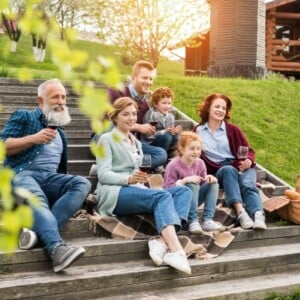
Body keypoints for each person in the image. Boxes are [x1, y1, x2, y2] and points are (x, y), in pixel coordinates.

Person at [1, 78, 92, 272]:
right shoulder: (25, 117)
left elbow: (59, 172)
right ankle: (57, 248)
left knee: (82, 183)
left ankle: (34, 234)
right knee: (38, 198)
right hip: (21, 176)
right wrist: (33, 138)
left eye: (63, 97)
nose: (61, 101)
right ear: (40, 101)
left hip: (49, 179)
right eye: (55, 97)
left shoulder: (61, 134)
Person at [95, 97, 192, 274]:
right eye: (126, 114)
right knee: (162, 196)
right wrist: (129, 179)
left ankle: (161, 241)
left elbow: (138, 170)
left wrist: (138, 178)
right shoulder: (106, 140)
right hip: (114, 192)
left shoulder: (136, 142)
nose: (132, 118)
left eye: (133, 114)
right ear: (115, 117)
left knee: (183, 191)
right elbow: (103, 174)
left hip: (136, 189)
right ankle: (177, 250)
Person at [193, 93, 266, 230]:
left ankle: (258, 216)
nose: (221, 110)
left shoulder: (233, 130)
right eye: (217, 106)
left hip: (241, 166)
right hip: (220, 170)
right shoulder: (198, 131)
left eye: (223, 108)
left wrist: (249, 160)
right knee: (228, 170)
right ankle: (241, 213)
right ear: (208, 108)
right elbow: (192, 153)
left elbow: (247, 150)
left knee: (248, 184)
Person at [107, 60, 168, 172]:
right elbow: (111, 122)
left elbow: (142, 134)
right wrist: (139, 127)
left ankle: (125, 167)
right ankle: (127, 167)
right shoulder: (116, 91)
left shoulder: (145, 104)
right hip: (108, 138)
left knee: (161, 154)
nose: (149, 82)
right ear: (133, 77)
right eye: (144, 78)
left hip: (131, 143)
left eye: (151, 79)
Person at [163, 131, 222, 233]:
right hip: (177, 202)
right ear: (181, 149)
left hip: (193, 200)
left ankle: (207, 220)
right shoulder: (173, 165)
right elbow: (167, 190)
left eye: (198, 149)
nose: (196, 152)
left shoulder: (200, 163)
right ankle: (193, 221)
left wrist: (209, 178)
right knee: (192, 184)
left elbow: (203, 182)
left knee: (213, 184)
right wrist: (184, 181)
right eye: (192, 149)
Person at [141, 87, 182, 155]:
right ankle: (163, 157)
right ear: (155, 104)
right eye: (164, 103)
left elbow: (170, 131)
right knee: (166, 137)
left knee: (175, 136)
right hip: (150, 143)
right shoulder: (151, 114)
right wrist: (164, 131)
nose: (167, 106)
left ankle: (169, 155)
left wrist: (175, 131)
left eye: (169, 103)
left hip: (164, 142)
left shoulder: (170, 117)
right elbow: (148, 136)